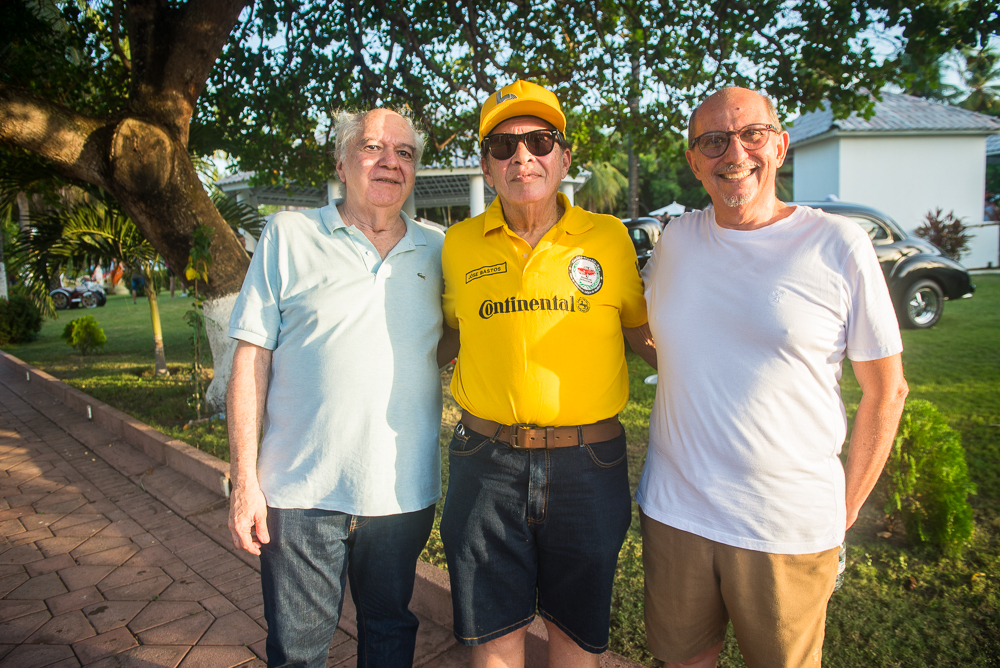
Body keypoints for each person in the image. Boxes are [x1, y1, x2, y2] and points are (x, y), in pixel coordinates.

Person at [637, 86, 909, 668]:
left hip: (786, 525)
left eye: (751, 134)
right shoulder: (676, 243)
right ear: (693, 162)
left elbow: (887, 391)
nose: (734, 152)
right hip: (676, 510)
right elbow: (656, 340)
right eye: (713, 141)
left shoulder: (838, 244)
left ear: (779, 146)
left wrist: (846, 509)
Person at [437, 80, 655, 668]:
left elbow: (645, 335)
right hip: (485, 464)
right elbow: (444, 335)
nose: (522, 157)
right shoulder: (456, 244)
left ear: (563, 155)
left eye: (539, 140)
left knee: (576, 640)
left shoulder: (608, 239)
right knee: (493, 644)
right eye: (504, 146)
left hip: (590, 466)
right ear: (486, 167)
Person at [226, 108, 445, 668]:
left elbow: (453, 341)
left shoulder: (441, 250)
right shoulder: (289, 235)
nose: (390, 162)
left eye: (405, 152)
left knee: (391, 633)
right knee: (298, 651)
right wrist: (244, 482)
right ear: (343, 162)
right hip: (300, 493)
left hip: (401, 492)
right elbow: (251, 358)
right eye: (373, 148)